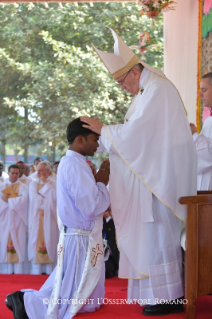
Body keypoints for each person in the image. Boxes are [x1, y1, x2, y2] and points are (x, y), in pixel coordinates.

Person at [81, 29, 197, 316]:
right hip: (152, 177)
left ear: (134, 71)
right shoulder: (148, 90)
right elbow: (138, 136)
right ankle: (157, 294)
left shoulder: (157, 90)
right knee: (153, 239)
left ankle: (170, 297)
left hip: (159, 180)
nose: (121, 87)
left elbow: (138, 135)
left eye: (121, 80)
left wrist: (103, 130)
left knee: (159, 237)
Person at [6, 118, 110, 319]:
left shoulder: (74, 162)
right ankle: (26, 302)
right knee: (67, 295)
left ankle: (23, 299)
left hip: (79, 235)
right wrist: (102, 185)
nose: (98, 144)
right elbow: (90, 207)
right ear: (80, 139)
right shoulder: (74, 165)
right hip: (80, 237)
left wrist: (96, 184)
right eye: (95, 139)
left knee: (71, 288)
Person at [28, 160, 58, 275]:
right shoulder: (33, 184)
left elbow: (55, 200)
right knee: (37, 240)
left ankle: (51, 271)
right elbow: (34, 200)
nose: (38, 172)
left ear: (48, 171)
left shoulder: (54, 183)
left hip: (50, 218)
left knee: (50, 239)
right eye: (37, 170)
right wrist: (47, 200)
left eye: (41, 170)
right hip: (37, 218)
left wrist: (46, 188)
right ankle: (37, 271)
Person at [0, 164, 28, 274]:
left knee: (19, 242)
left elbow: (24, 201)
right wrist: (13, 202)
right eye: (12, 173)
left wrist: (8, 201)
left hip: (18, 219)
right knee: (4, 242)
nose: (15, 175)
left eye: (17, 173)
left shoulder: (23, 187)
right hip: (5, 219)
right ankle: (5, 272)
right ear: (8, 173)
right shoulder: (2, 186)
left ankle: (18, 272)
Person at [190, 72, 212, 190]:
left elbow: (209, 155)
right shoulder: (209, 119)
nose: (200, 94)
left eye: (204, 90)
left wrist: (194, 135)